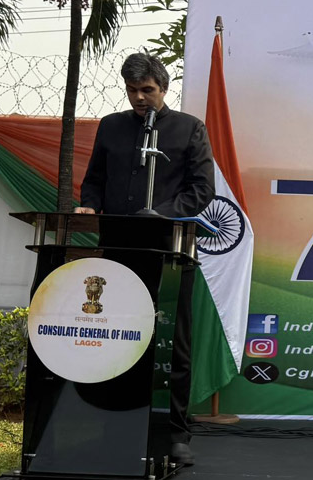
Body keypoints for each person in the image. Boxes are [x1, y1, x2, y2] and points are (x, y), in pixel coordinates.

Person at [76, 53, 215, 466]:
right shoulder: (111, 126)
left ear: (163, 88)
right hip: (120, 249)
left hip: (169, 250)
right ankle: (115, 426)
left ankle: (176, 433)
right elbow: (95, 179)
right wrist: (89, 205)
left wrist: (161, 213)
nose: (139, 97)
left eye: (147, 90)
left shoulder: (189, 128)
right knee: (118, 337)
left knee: (174, 343)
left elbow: (201, 190)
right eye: (132, 90)